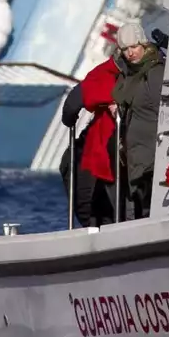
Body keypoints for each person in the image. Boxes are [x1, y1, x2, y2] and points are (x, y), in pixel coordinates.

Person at [111, 28, 168, 220]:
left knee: (145, 211)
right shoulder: (128, 74)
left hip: (152, 156)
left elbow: (164, 110)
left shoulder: (154, 71)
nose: (130, 53)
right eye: (125, 49)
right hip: (135, 156)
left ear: (143, 44)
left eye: (134, 46)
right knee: (134, 210)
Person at [61, 52, 119, 227]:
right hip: (127, 147)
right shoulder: (155, 72)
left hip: (101, 151)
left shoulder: (106, 73)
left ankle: (94, 231)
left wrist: (69, 120)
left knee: (87, 197)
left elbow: (73, 103)